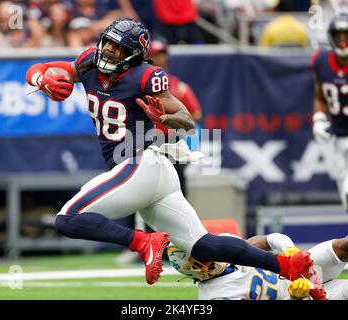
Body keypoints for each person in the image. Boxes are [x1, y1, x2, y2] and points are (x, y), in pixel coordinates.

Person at [26, 18, 314, 286]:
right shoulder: (89, 62)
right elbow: (37, 70)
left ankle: (142, 242)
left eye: (118, 47)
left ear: (133, 55)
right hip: (150, 172)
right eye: (108, 43)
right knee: (202, 245)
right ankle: (287, 266)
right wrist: (43, 80)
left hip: (140, 163)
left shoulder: (146, 76)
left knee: (68, 218)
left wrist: (163, 117)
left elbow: (188, 121)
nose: (109, 51)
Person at [168, 232, 348, 300]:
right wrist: (294, 298)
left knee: (342, 246)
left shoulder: (224, 245)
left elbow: (269, 239)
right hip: (296, 296)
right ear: (199, 267)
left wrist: (289, 249)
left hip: (300, 271)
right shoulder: (217, 297)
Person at [149, 39, 202, 196]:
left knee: (176, 185)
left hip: (170, 140)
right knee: (146, 186)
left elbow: (195, 114)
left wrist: (174, 120)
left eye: (162, 55)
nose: (160, 59)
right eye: (156, 55)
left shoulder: (177, 86)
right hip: (147, 139)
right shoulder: (139, 84)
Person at [311, 13, 348, 211]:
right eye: (339, 36)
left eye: (347, 36)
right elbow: (320, 96)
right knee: (344, 195)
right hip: (339, 137)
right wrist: (318, 118)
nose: (343, 41)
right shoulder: (321, 61)